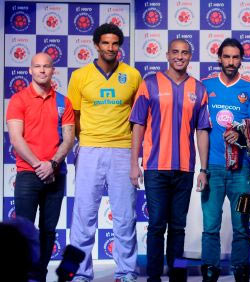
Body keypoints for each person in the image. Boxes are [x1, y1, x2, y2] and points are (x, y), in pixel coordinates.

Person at [129, 39, 211, 281]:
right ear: (167, 55)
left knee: (178, 229)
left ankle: (178, 277)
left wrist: (203, 169)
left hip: (185, 169)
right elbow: (138, 125)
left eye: (185, 52)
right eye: (175, 52)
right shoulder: (149, 84)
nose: (180, 56)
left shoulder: (198, 88)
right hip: (155, 168)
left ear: (190, 56)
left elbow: (202, 130)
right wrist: (135, 164)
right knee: (156, 227)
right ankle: (153, 277)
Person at [67, 23, 142, 282]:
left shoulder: (132, 75)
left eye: (115, 43)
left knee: (124, 216)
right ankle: (79, 273)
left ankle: (127, 272)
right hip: (89, 149)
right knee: (83, 216)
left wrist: (134, 154)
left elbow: (138, 118)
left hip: (122, 150)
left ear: (119, 46)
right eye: (105, 43)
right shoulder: (80, 76)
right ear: (96, 45)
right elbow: (74, 117)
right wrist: (85, 141)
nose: (110, 48)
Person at [6, 52, 75, 282]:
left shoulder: (63, 101)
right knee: (23, 232)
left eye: (47, 66)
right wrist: (39, 165)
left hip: (56, 174)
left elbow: (68, 139)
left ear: (53, 70)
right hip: (28, 174)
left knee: (48, 230)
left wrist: (52, 164)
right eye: (38, 66)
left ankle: (40, 275)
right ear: (30, 70)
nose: (42, 70)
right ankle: (22, 275)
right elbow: (16, 138)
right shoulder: (18, 100)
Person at [200, 38, 250, 282]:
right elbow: (200, 128)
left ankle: (240, 270)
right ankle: (210, 270)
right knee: (211, 226)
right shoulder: (205, 86)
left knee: (241, 226)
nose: (231, 62)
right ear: (219, 59)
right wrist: (203, 168)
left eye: (235, 57)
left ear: (241, 60)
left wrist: (241, 135)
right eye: (226, 57)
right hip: (213, 167)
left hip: (241, 168)